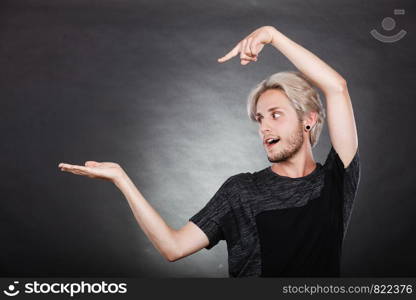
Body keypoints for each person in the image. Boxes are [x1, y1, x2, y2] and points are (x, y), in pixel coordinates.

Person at [58, 25, 361, 277]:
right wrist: (121, 179)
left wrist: (272, 35)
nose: (264, 127)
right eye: (259, 118)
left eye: (275, 114)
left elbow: (336, 87)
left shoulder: (336, 181)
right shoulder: (240, 190)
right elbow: (173, 248)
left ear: (308, 120)